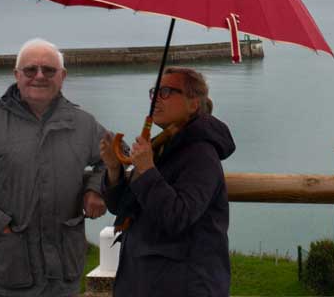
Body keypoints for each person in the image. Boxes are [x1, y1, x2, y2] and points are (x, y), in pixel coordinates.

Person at [0, 38, 109, 296]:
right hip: (2, 276)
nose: (39, 76)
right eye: (30, 70)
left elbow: (116, 157)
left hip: (62, 277)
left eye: (49, 70)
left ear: (62, 76)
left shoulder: (84, 125)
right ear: (16, 75)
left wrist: (96, 188)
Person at [100, 66, 235, 297]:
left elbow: (178, 217)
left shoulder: (201, 154)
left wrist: (147, 168)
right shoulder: (164, 145)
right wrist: (114, 169)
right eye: (155, 92)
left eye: (166, 92)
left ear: (193, 104)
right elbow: (122, 206)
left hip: (184, 283)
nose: (156, 100)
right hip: (148, 279)